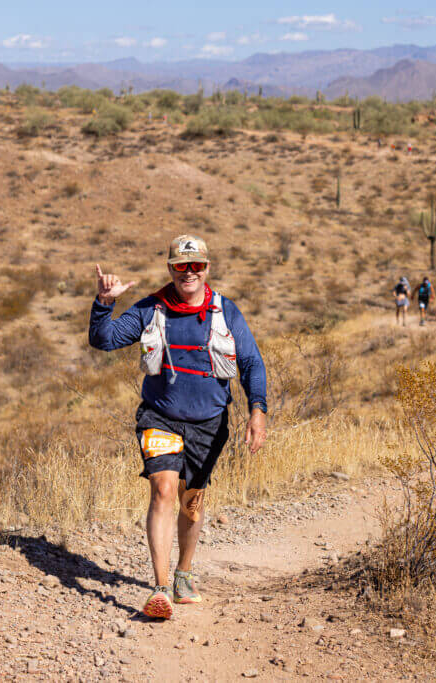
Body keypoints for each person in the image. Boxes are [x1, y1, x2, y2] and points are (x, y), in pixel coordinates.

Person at [89, 235, 268, 620]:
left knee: (191, 502)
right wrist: (104, 303)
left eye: (196, 265)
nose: (189, 273)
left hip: (209, 422)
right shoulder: (151, 308)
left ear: (207, 268)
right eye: (181, 265)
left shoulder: (226, 311)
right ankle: (160, 588)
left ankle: (184, 573)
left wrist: (258, 412)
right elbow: (103, 341)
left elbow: (251, 363)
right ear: (170, 268)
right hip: (160, 415)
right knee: (164, 490)